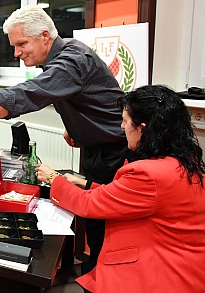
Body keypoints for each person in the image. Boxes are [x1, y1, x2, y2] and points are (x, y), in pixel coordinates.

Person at [0, 5, 127, 274]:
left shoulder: (72, 59)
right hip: (94, 147)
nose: (16, 53)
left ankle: (104, 279)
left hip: (116, 152)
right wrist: (77, 128)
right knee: (93, 221)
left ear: (45, 35)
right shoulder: (61, 57)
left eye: (21, 44)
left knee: (106, 225)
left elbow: (26, 95)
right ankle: (94, 274)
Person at [35, 85, 205, 292]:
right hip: (185, 267)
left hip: (155, 275)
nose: (122, 127)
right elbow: (132, 199)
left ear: (142, 128)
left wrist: (53, 177)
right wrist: (87, 184)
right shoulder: (184, 162)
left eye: (125, 121)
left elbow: (88, 204)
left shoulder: (148, 174)